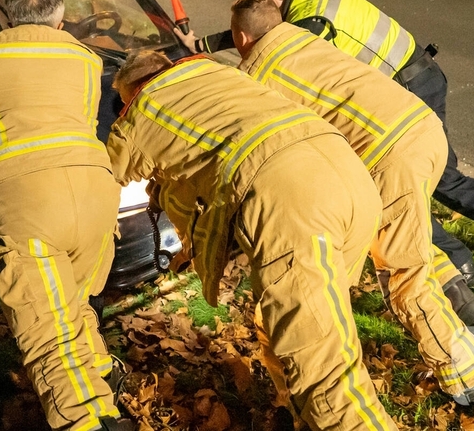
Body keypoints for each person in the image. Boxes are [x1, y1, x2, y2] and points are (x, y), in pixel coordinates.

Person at [181, 0, 474, 285]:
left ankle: (462, 269)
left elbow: (271, 43)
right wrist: (201, 44)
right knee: (438, 182)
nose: (260, 10)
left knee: (397, 191)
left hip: (407, 92)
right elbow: (263, 30)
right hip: (419, 77)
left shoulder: (310, 22)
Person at [108, 50, 398, 431]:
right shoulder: (218, 74)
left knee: (323, 369)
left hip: (294, 202)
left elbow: (96, 180)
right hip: (349, 175)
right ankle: (303, 417)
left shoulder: (142, 112)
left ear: (130, 93)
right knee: (293, 327)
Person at [230, 0, 474, 400]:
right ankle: (472, 316)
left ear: (243, 37)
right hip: (423, 129)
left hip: (388, 157)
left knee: (404, 277)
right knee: (412, 240)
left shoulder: (255, 76)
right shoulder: (306, 39)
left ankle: (472, 379)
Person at [0, 0, 131, 431]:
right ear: (62, 18)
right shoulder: (86, 59)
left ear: (9, 16)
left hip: (28, 197)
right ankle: (103, 373)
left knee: (49, 330)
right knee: (73, 300)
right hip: (95, 191)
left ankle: (91, 422)